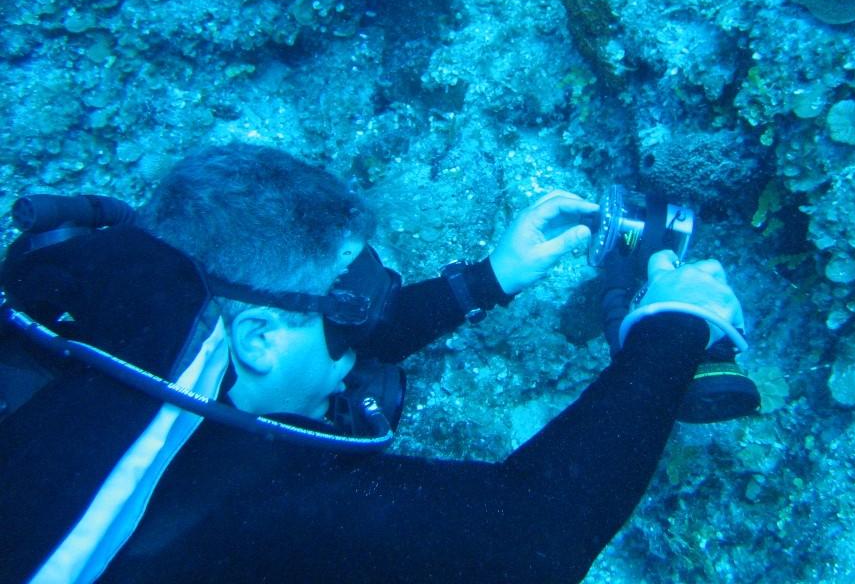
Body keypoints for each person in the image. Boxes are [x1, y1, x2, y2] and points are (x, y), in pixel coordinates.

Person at [0, 143, 747, 584]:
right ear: (257, 338)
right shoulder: (225, 501)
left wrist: (488, 279)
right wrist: (675, 326)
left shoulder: (103, 318)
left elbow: (324, 341)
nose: (364, 340)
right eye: (350, 310)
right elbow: (537, 534)